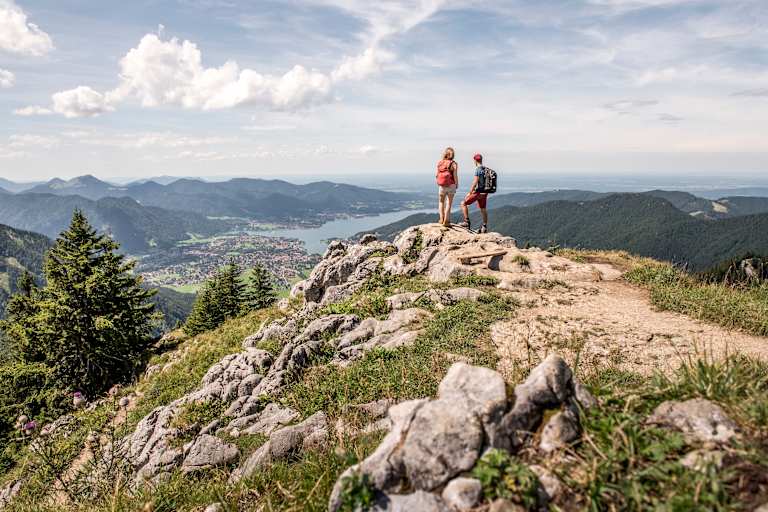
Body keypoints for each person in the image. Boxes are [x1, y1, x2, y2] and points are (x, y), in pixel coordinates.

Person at [460, 153, 489, 233]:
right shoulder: (485, 169)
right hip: (484, 192)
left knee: (463, 203)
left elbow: (475, 182)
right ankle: (484, 226)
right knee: (483, 209)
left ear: (475, 161)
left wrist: (470, 192)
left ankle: (466, 222)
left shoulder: (478, 169)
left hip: (478, 192)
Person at [436, 147, 459, 226]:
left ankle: (441, 219)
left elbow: (437, 175)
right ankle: (446, 221)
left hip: (442, 186)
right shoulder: (453, 163)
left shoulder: (440, 163)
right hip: (451, 185)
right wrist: (456, 184)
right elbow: (455, 176)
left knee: (441, 202)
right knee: (449, 203)